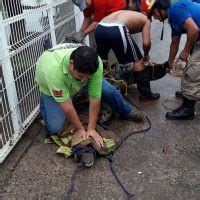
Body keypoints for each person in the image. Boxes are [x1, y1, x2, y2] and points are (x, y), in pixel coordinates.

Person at [35, 43, 146, 147]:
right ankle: (47, 103)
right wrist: (80, 129)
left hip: (70, 80)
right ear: (72, 63)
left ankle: (126, 111)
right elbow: (67, 105)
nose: (84, 80)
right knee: (55, 128)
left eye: (88, 77)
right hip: (52, 88)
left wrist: (91, 128)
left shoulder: (94, 63)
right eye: (80, 75)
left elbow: (95, 99)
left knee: (110, 92)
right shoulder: (52, 71)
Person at [141, 0, 200, 120]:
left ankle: (188, 109)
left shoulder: (174, 9)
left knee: (193, 69)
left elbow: (193, 30)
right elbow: (174, 42)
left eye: (153, 14)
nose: (155, 18)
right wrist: (169, 63)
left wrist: (186, 50)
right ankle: (190, 93)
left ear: (158, 9)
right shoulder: (172, 16)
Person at [94, 10, 161, 102]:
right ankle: (146, 95)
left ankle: (98, 89)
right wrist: (146, 54)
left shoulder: (128, 13)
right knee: (138, 60)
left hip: (99, 28)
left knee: (102, 60)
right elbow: (146, 43)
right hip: (117, 28)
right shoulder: (146, 20)